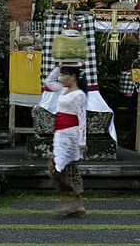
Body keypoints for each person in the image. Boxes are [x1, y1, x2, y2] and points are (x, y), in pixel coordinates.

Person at [46, 65, 87, 217]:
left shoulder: (79, 95)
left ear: (74, 77)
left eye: (65, 75)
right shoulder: (63, 90)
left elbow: (82, 118)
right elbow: (49, 81)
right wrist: (59, 66)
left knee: (66, 167)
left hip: (71, 135)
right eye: (62, 75)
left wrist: (82, 141)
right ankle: (74, 201)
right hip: (60, 133)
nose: (62, 78)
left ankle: (72, 201)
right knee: (59, 167)